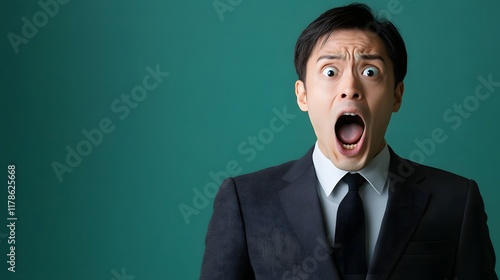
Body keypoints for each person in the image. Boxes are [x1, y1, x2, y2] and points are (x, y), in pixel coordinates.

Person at [200, 3, 497, 279]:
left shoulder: (457, 201)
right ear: (302, 95)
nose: (350, 88)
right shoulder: (245, 201)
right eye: (330, 71)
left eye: (370, 71)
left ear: (397, 95)